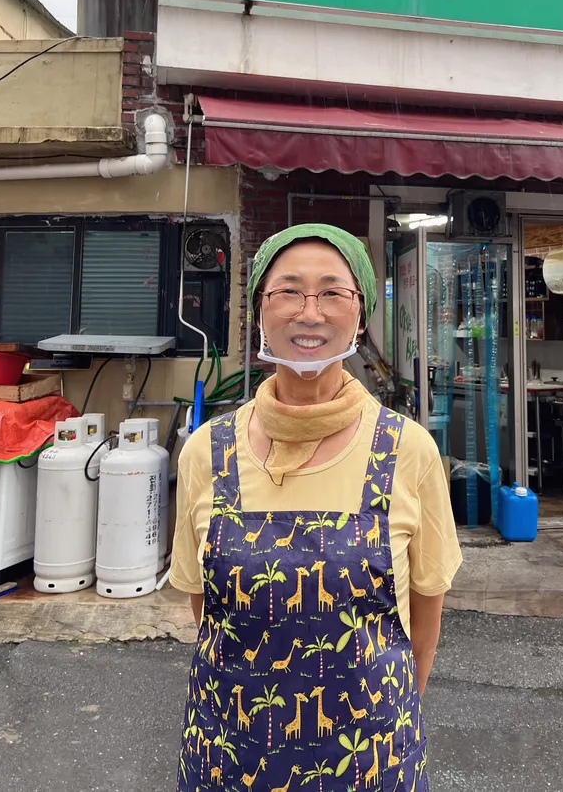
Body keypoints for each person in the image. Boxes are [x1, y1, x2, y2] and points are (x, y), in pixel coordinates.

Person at [170, 224, 462, 791]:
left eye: (332, 292)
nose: (310, 312)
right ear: (259, 309)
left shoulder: (407, 450)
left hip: (370, 760)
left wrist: (383, 718)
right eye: (287, 291)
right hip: (228, 758)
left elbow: (425, 624)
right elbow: (207, 613)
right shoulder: (207, 451)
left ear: (361, 314)